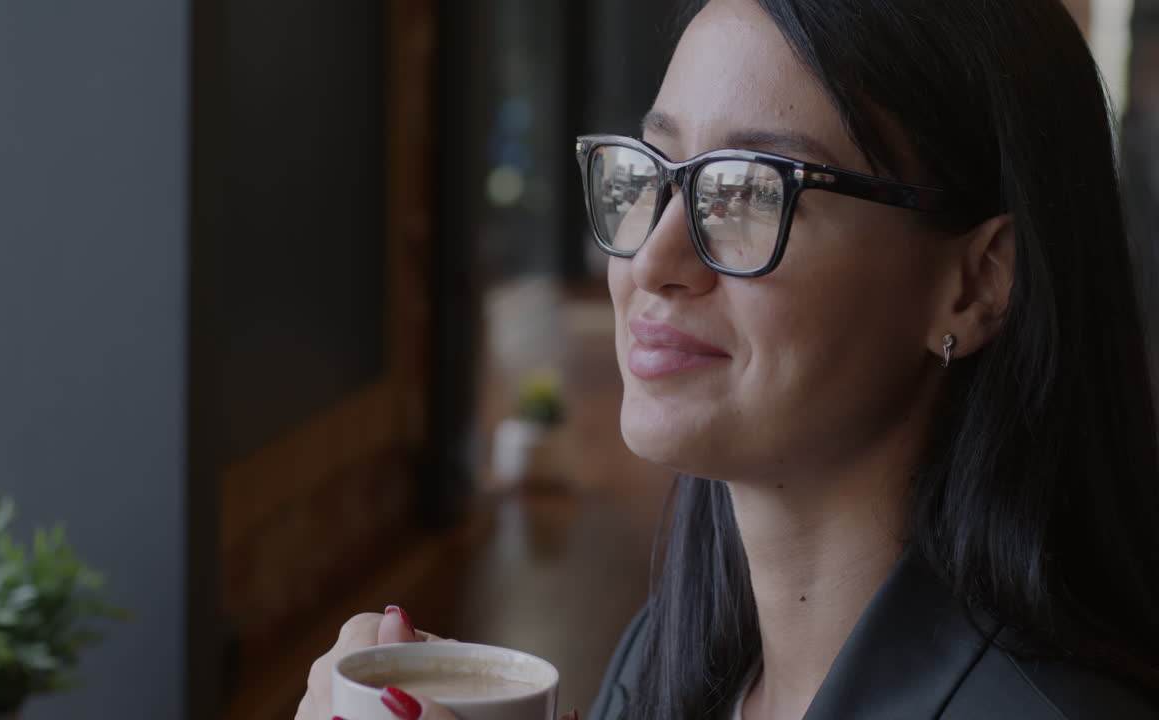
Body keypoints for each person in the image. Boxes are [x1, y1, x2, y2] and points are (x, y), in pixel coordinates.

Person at [299, 0, 1159, 718]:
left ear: (975, 284)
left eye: (749, 188)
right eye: (654, 174)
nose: (653, 263)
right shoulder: (668, 661)